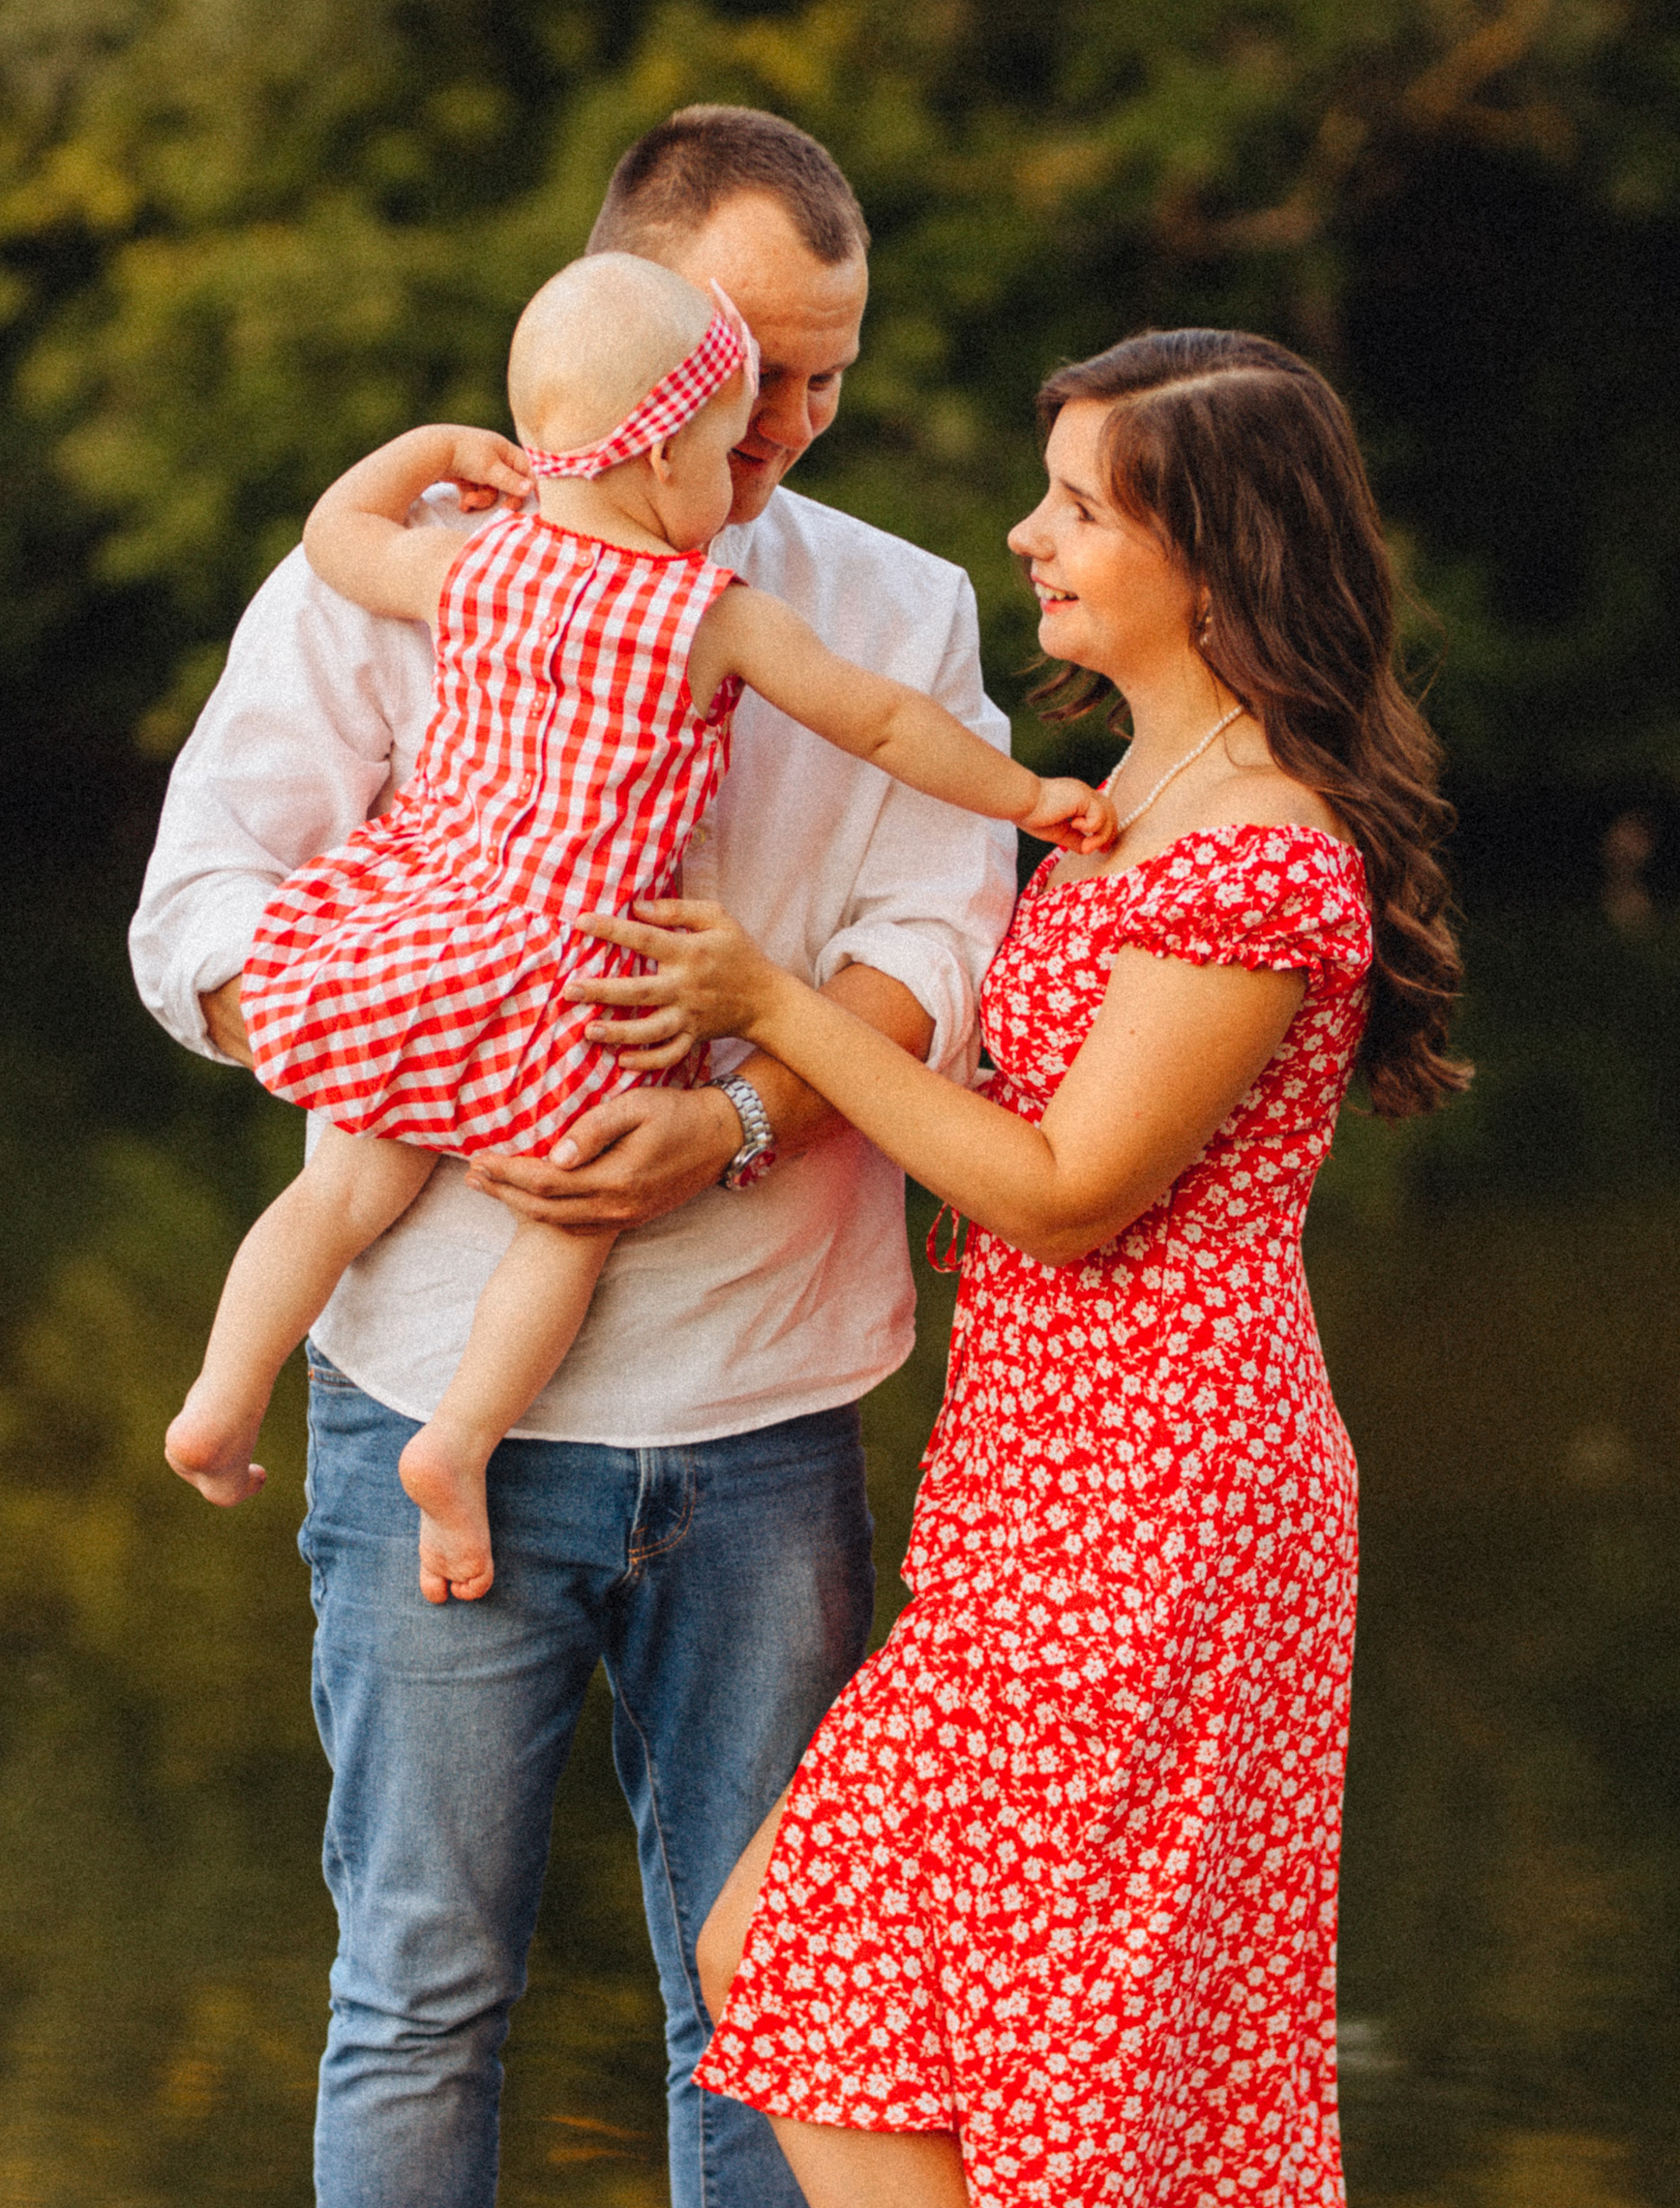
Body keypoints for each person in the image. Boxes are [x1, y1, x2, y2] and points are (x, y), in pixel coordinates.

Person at [128, 106, 1012, 2208]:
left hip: (764, 1415)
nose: (795, 437)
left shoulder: (886, 605)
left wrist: (737, 1108)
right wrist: (429, 1009)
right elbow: (200, 914)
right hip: (424, 1385)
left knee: (782, 1983)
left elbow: (954, 916)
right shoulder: (404, 596)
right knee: (419, 1970)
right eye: (760, 380)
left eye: (830, 381)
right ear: (638, 352)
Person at [582, 329, 1467, 2208]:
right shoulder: (1143, 786)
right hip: (1063, 1480)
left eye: (1078, 505)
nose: (1029, 538)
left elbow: (1071, 1195)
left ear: (1209, 547)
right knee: (1205, 2010)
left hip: (1155, 1498)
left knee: (783, 1952)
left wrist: (775, 1003)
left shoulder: (1259, 852)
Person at [164, 254, 1110, 1596]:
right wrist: (1031, 792)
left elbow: (334, 537)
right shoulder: (708, 615)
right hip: (567, 974)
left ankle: (217, 1393)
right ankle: (460, 1442)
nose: (748, 471)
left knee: (337, 1189)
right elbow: (888, 724)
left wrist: (425, 450)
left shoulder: (470, 569)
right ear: (665, 463)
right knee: (573, 1219)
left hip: (420, 930)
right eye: (727, 447)